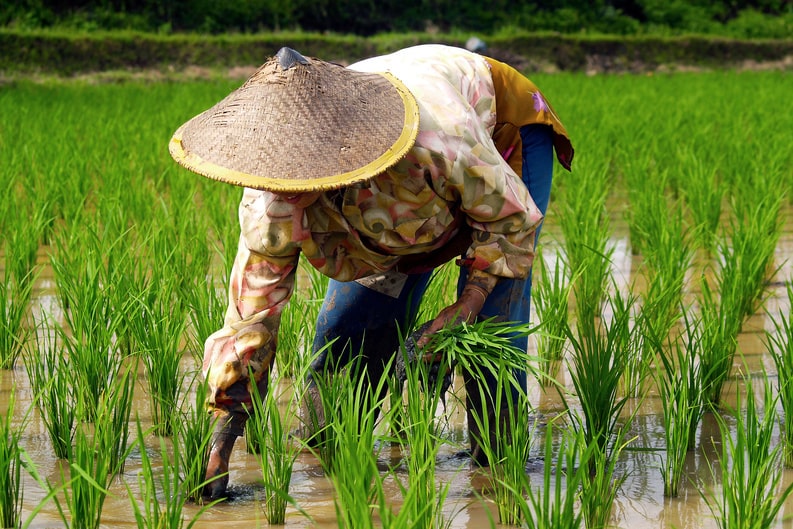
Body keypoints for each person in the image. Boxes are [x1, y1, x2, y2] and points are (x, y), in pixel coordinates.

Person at [169, 44, 573, 500]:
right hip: (395, 216)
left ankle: (498, 467)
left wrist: (468, 303)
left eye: (301, 177)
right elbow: (250, 319)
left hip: (496, 140)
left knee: (491, 332)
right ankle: (329, 459)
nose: (285, 192)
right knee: (346, 342)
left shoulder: (441, 138)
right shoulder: (270, 199)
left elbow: (507, 221)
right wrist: (220, 436)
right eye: (279, 176)